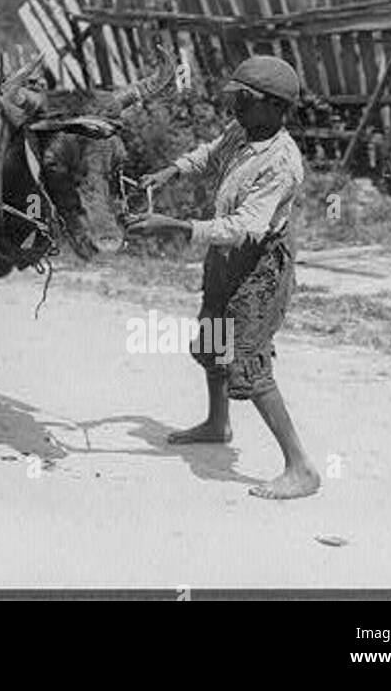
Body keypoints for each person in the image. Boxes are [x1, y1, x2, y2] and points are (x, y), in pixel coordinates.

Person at [124, 54, 320, 501]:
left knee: (247, 359)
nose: (235, 109)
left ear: (274, 107)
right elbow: (209, 155)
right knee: (213, 336)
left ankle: (300, 466)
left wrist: (172, 226)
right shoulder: (243, 132)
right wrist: (170, 170)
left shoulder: (282, 162)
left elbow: (245, 227)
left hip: (260, 265)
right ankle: (217, 423)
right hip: (225, 257)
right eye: (235, 100)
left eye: (244, 102)